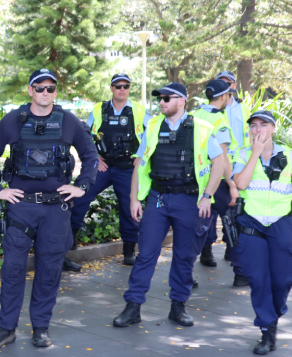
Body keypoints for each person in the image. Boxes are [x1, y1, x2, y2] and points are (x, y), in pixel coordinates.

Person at [0, 69, 97, 348]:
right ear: (30, 90)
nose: (45, 92)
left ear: (56, 91)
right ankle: (6, 328)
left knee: (49, 271)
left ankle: (41, 328)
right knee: (12, 270)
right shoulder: (14, 120)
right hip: (22, 208)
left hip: (56, 210)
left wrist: (82, 186)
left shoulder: (69, 121)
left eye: (50, 88)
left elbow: (90, 155)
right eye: (40, 87)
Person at [113, 82, 225, 328]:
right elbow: (139, 164)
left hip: (190, 200)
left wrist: (207, 195)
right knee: (146, 255)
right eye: (160, 98)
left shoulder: (202, 128)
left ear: (182, 100)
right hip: (158, 199)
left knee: (184, 257)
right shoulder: (153, 126)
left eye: (167, 98)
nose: (161, 102)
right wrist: (134, 198)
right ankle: (133, 307)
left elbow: (219, 163)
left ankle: (178, 306)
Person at [232, 110, 292, 355]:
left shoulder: (288, 155)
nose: (258, 130)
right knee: (258, 279)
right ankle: (267, 330)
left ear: (274, 128)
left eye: (263, 125)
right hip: (252, 222)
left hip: (281, 222)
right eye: (254, 126)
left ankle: (273, 317)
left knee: (282, 280)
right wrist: (255, 154)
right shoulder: (243, 154)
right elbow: (241, 184)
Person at [75, 73, 150, 266]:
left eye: (126, 86)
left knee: (129, 208)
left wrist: (141, 158)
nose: (122, 89)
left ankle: (128, 250)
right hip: (104, 166)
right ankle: (68, 240)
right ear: (111, 88)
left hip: (127, 168)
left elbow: (153, 134)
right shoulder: (99, 109)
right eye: (118, 86)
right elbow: (83, 134)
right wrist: (94, 157)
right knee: (80, 194)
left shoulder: (139, 111)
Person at [192, 80, 247, 286]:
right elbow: (222, 157)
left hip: (199, 182)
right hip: (218, 183)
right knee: (233, 223)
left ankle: (185, 275)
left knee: (194, 226)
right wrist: (232, 184)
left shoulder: (195, 116)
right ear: (224, 96)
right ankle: (240, 274)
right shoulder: (218, 120)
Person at [217, 70, 252, 262]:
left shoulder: (243, 108)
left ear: (234, 85)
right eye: (221, 82)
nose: (225, 86)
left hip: (238, 164)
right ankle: (207, 250)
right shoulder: (212, 108)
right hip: (217, 163)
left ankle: (231, 249)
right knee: (217, 207)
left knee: (235, 209)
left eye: (228, 82)